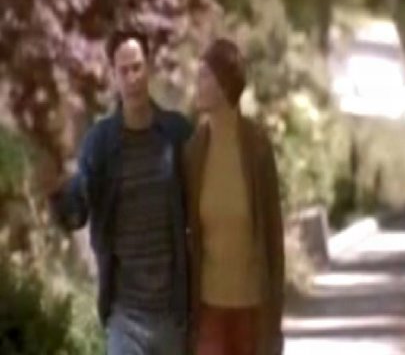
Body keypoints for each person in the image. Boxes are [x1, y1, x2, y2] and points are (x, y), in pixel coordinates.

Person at [42, 30, 192, 355]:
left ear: (148, 67)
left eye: (137, 67)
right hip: (125, 315)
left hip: (172, 313)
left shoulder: (176, 133)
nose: (132, 78)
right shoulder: (100, 142)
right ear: (114, 76)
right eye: (123, 70)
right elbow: (77, 213)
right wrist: (55, 192)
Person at [183, 38, 285, 355]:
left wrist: (275, 319)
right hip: (208, 307)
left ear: (224, 84)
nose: (197, 84)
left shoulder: (257, 146)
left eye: (204, 76)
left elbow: (273, 235)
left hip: (252, 309)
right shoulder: (193, 151)